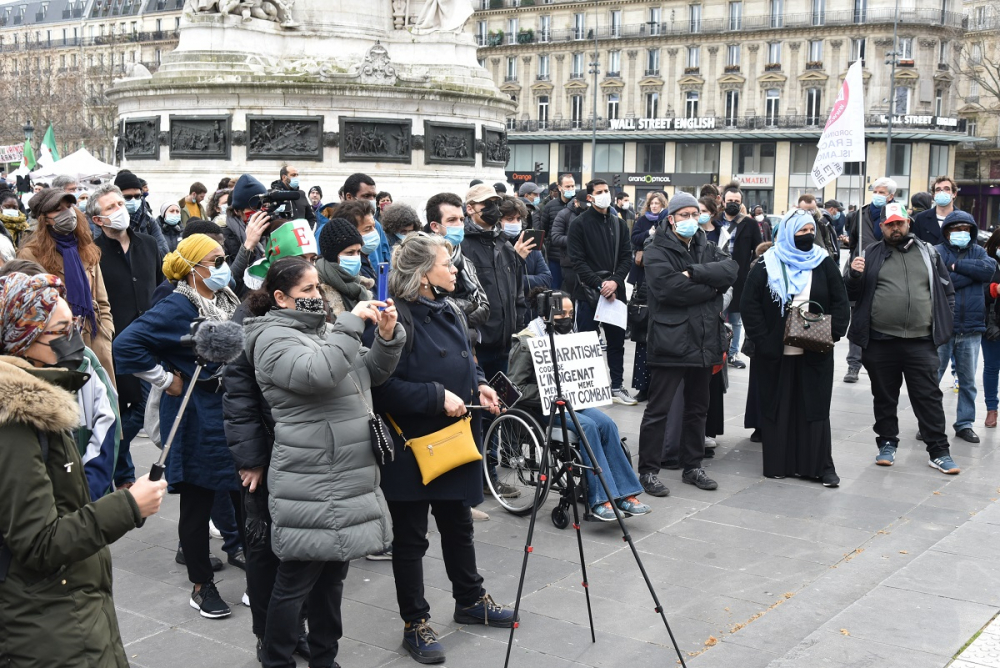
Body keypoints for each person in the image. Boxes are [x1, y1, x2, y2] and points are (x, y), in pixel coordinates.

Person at [0, 271, 167, 668]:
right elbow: (40, 542)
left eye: (73, 324)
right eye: (60, 329)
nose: (74, 338)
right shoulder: (16, 421)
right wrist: (128, 505)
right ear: (21, 340)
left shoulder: (42, 400)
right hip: (47, 621)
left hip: (67, 604)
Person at [243, 256, 402, 668]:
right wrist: (352, 323)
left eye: (318, 289)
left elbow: (366, 374)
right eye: (308, 291)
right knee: (297, 578)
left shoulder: (325, 330)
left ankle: (324, 658)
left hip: (344, 467)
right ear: (280, 297)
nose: (317, 297)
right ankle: (276, 658)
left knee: (333, 576)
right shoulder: (271, 338)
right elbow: (319, 374)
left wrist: (386, 338)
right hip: (312, 473)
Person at [371, 233, 516, 665]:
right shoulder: (392, 318)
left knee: (458, 526)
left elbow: (466, 359)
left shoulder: (449, 308)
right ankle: (415, 622)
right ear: (421, 274)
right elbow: (380, 385)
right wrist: (437, 397)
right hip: (410, 445)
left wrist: (481, 385)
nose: (454, 270)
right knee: (411, 539)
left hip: (455, 439)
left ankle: (470, 599)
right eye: (446, 264)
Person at [114, 234, 243, 619]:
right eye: (215, 260)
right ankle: (202, 585)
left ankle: (253, 565)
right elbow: (125, 345)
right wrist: (165, 378)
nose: (222, 267)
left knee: (241, 493)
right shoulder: (174, 306)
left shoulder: (225, 300)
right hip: (194, 417)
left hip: (231, 411)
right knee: (198, 499)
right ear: (192, 268)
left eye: (225, 258)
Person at [507, 291, 651, 520]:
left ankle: (625, 493)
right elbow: (515, 387)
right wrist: (548, 391)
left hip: (572, 401)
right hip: (542, 408)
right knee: (589, 427)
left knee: (607, 424)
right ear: (546, 315)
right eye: (561, 313)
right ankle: (600, 499)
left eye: (570, 313)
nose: (566, 318)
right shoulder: (527, 340)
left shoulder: (571, 337)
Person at [844, 202, 960, 474]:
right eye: (890, 224)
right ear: (881, 226)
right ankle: (887, 443)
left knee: (929, 397)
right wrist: (854, 275)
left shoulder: (928, 253)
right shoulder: (868, 254)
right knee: (884, 396)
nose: (896, 228)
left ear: (909, 223)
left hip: (921, 341)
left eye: (900, 223)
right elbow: (850, 294)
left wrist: (946, 320)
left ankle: (938, 451)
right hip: (881, 341)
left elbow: (948, 292)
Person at [740, 209, 850, 486]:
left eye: (810, 230)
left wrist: (833, 334)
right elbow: (749, 305)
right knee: (778, 408)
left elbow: (840, 300)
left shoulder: (823, 262)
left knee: (814, 409)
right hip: (775, 355)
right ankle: (779, 464)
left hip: (815, 352)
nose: (807, 235)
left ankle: (820, 467)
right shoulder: (767, 263)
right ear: (788, 232)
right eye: (801, 231)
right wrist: (764, 341)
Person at [637, 192, 737, 497]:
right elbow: (669, 290)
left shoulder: (706, 245)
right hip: (670, 341)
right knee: (659, 410)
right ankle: (648, 471)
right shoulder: (656, 248)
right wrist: (711, 289)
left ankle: (693, 466)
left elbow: (731, 271)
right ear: (671, 219)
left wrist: (693, 272)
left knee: (698, 409)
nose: (691, 220)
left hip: (704, 340)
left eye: (695, 214)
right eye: (684, 215)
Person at [89, 183, 164, 492]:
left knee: (141, 409)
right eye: (111, 207)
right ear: (98, 220)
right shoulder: (92, 253)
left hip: (151, 341)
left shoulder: (147, 243)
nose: (120, 209)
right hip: (116, 345)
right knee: (125, 408)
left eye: (121, 202)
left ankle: (116, 467)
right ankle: (122, 474)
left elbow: (160, 285)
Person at [18, 188, 116, 383]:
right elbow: (28, 312)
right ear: (44, 219)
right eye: (57, 209)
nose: (67, 213)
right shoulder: (31, 255)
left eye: (69, 206)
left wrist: (106, 333)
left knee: (105, 406)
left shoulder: (86, 248)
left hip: (96, 340)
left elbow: (102, 300)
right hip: (59, 347)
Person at [568, 178, 635, 405]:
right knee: (586, 344)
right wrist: (600, 285)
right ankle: (586, 389)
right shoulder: (579, 224)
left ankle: (616, 386)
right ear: (590, 197)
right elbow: (577, 261)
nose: (604, 194)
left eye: (607, 190)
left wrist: (615, 282)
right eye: (600, 191)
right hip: (588, 292)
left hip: (616, 291)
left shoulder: (619, 223)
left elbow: (627, 257)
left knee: (616, 341)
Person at [933, 210, 996, 444]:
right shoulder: (936, 252)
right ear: (947, 231)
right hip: (942, 326)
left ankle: (965, 423)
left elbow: (988, 271)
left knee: (968, 381)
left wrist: (955, 267)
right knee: (933, 379)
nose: (961, 233)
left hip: (971, 328)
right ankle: (930, 422)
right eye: (956, 229)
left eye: (965, 229)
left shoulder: (979, 251)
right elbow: (939, 282)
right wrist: (972, 273)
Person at [462, 183, 526, 378]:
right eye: (486, 204)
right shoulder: (461, 246)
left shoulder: (505, 245)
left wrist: (517, 330)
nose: (493, 209)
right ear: (470, 208)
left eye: (495, 203)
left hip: (505, 344)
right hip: (477, 346)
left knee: (502, 404)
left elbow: (518, 292)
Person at [843, 177, 899, 383]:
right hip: (862, 271)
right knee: (857, 315)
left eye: (882, 192)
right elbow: (853, 241)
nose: (877, 195)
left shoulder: (897, 214)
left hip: (888, 271)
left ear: (891, 196)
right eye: (875, 191)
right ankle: (853, 365)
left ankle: (886, 365)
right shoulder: (861, 213)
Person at [425, 192, 491, 344]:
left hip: (465, 344)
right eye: (452, 220)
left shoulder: (464, 261)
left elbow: (484, 308)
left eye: (461, 219)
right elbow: (433, 311)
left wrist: (454, 312)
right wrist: (465, 306)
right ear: (435, 226)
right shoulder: (424, 262)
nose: (459, 225)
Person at [626, 191, 668, 402]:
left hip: (661, 280)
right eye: (651, 203)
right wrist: (648, 234)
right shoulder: (642, 221)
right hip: (643, 281)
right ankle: (642, 387)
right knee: (643, 337)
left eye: (657, 203)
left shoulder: (667, 220)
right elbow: (634, 239)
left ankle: (658, 388)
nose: (654, 206)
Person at [718, 183, 761, 370]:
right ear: (722, 201)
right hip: (716, 276)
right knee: (717, 315)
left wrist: (752, 271)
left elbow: (758, 250)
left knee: (735, 319)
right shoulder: (714, 221)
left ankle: (733, 354)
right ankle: (718, 351)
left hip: (740, 278)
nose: (733, 204)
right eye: (730, 201)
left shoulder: (750, 223)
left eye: (736, 201)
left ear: (741, 202)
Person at [499, 195, 550, 315]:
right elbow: (499, 283)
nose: (516, 223)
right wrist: (516, 258)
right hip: (505, 311)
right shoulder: (494, 246)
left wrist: (520, 281)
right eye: (510, 219)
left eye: (518, 219)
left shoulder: (530, 243)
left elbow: (546, 279)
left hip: (529, 309)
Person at [224, 174, 271, 297]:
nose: (259, 212)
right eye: (253, 208)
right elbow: (226, 282)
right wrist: (248, 246)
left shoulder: (269, 230)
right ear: (237, 211)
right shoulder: (223, 235)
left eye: (263, 206)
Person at [317, 217, 375, 316]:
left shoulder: (359, 283)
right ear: (333, 257)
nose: (356, 257)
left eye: (358, 252)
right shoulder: (316, 289)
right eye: (350, 253)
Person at [113, 170, 168, 255]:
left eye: (137, 196)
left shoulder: (148, 220)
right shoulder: (107, 221)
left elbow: (163, 251)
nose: (133, 200)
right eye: (128, 197)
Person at [328, 200, 381, 281]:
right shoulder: (351, 265)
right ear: (349, 232)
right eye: (367, 229)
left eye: (374, 227)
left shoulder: (365, 259)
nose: (374, 232)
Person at [540, 173, 577, 287]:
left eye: (572, 186)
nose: (570, 189)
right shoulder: (550, 206)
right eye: (567, 186)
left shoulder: (579, 206)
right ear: (560, 188)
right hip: (555, 258)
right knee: (554, 290)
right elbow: (543, 230)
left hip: (574, 259)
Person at [550, 189, 589, 295]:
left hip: (589, 264)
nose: (587, 208)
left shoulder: (592, 215)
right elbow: (556, 237)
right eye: (585, 205)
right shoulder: (564, 214)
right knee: (570, 295)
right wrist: (576, 239)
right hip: (569, 264)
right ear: (576, 202)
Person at [913, 176, 959, 245]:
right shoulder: (921, 218)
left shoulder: (964, 218)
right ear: (934, 195)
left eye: (947, 189)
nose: (942, 192)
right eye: (938, 189)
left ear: (954, 194)